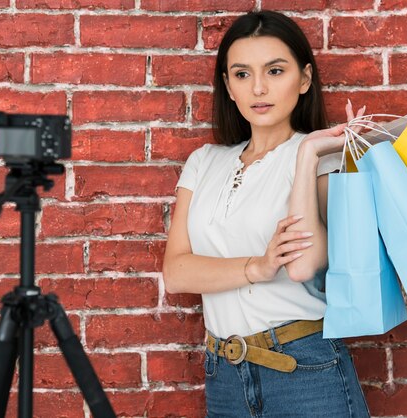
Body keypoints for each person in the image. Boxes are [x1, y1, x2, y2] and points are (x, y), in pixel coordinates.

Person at [163, 10, 371, 417]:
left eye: (275, 70)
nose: (258, 87)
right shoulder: (204, 161)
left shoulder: (321, 157)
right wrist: (257, 267)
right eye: (242, 74)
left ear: (305, 78)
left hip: (304, 369)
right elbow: (176, 272)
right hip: (224, 372)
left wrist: (309, 151)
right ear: (228, 85)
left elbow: (304, 265)